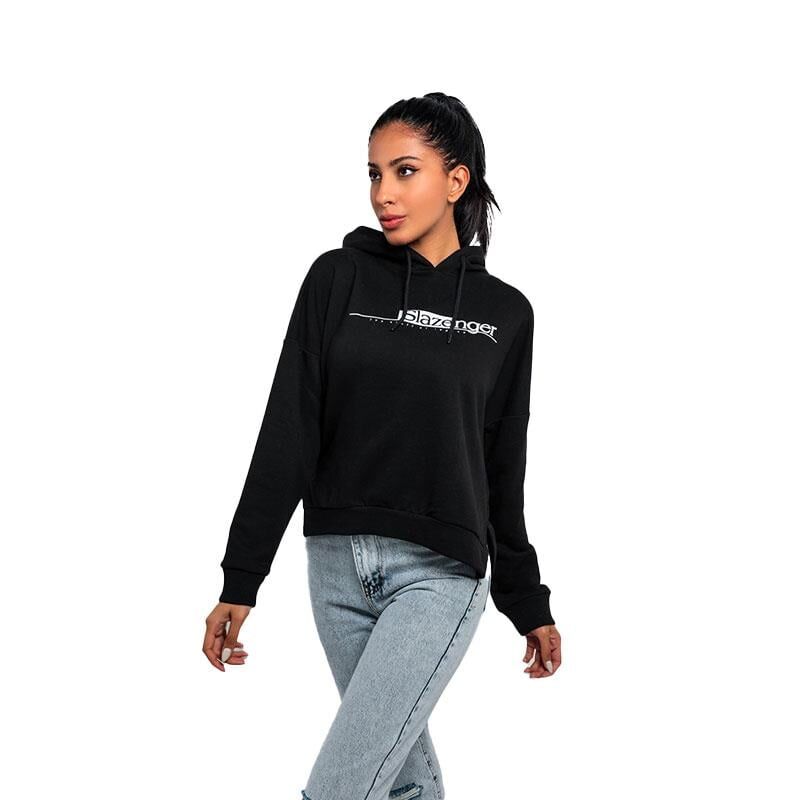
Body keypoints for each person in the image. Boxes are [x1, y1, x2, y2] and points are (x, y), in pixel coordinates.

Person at [202, 92, 562, 800]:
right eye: (373, 173)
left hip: (439, 572)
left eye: (405, 171)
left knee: (342, 787)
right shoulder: (337, 278)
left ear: (455, 181)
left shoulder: (505, 313)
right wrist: (241, 576)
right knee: (399, 782)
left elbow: (502, 467)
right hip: (336, 568)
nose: (383, 194)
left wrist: (528, 599)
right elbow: (289, 427)